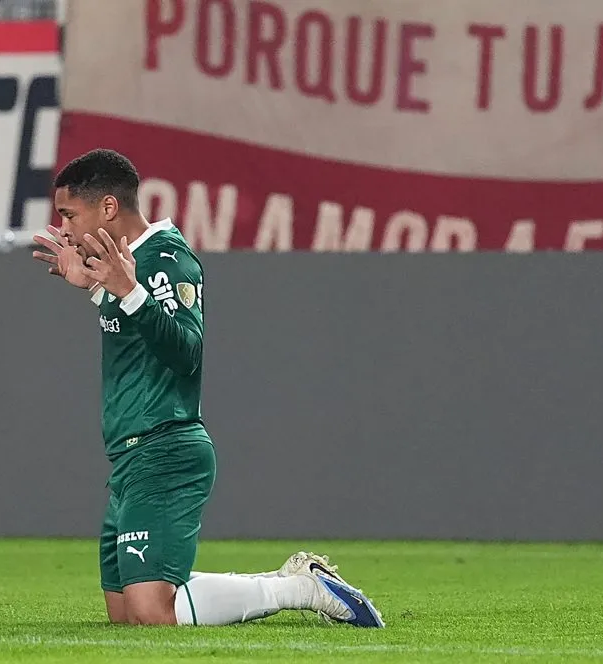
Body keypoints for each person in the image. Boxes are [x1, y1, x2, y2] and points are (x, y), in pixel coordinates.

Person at [33, 148, 384, 628]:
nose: (66, 229)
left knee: (152, 612)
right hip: (131, 456)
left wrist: (126, 293)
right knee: (126, 618)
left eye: (70, 215)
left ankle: (302, 587)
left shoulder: (168, 259)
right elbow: (141, 339)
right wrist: (98, 290)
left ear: (108, 208)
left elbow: (186, 353)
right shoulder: (127, 266)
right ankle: (274, 583)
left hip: (166, 448)